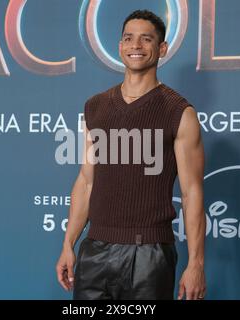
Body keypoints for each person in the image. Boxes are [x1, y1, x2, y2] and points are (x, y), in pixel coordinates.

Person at [56, 9, 206, 300]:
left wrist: (196, 263)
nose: (136, 46)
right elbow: (86, 182)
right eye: (128, 38)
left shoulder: (179, 112)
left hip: (150, 256)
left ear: (161, 49)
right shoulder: (95, 107)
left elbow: (192, 192)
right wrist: (68, 244)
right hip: (95, 250)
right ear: (120, 47)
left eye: (146, 39)